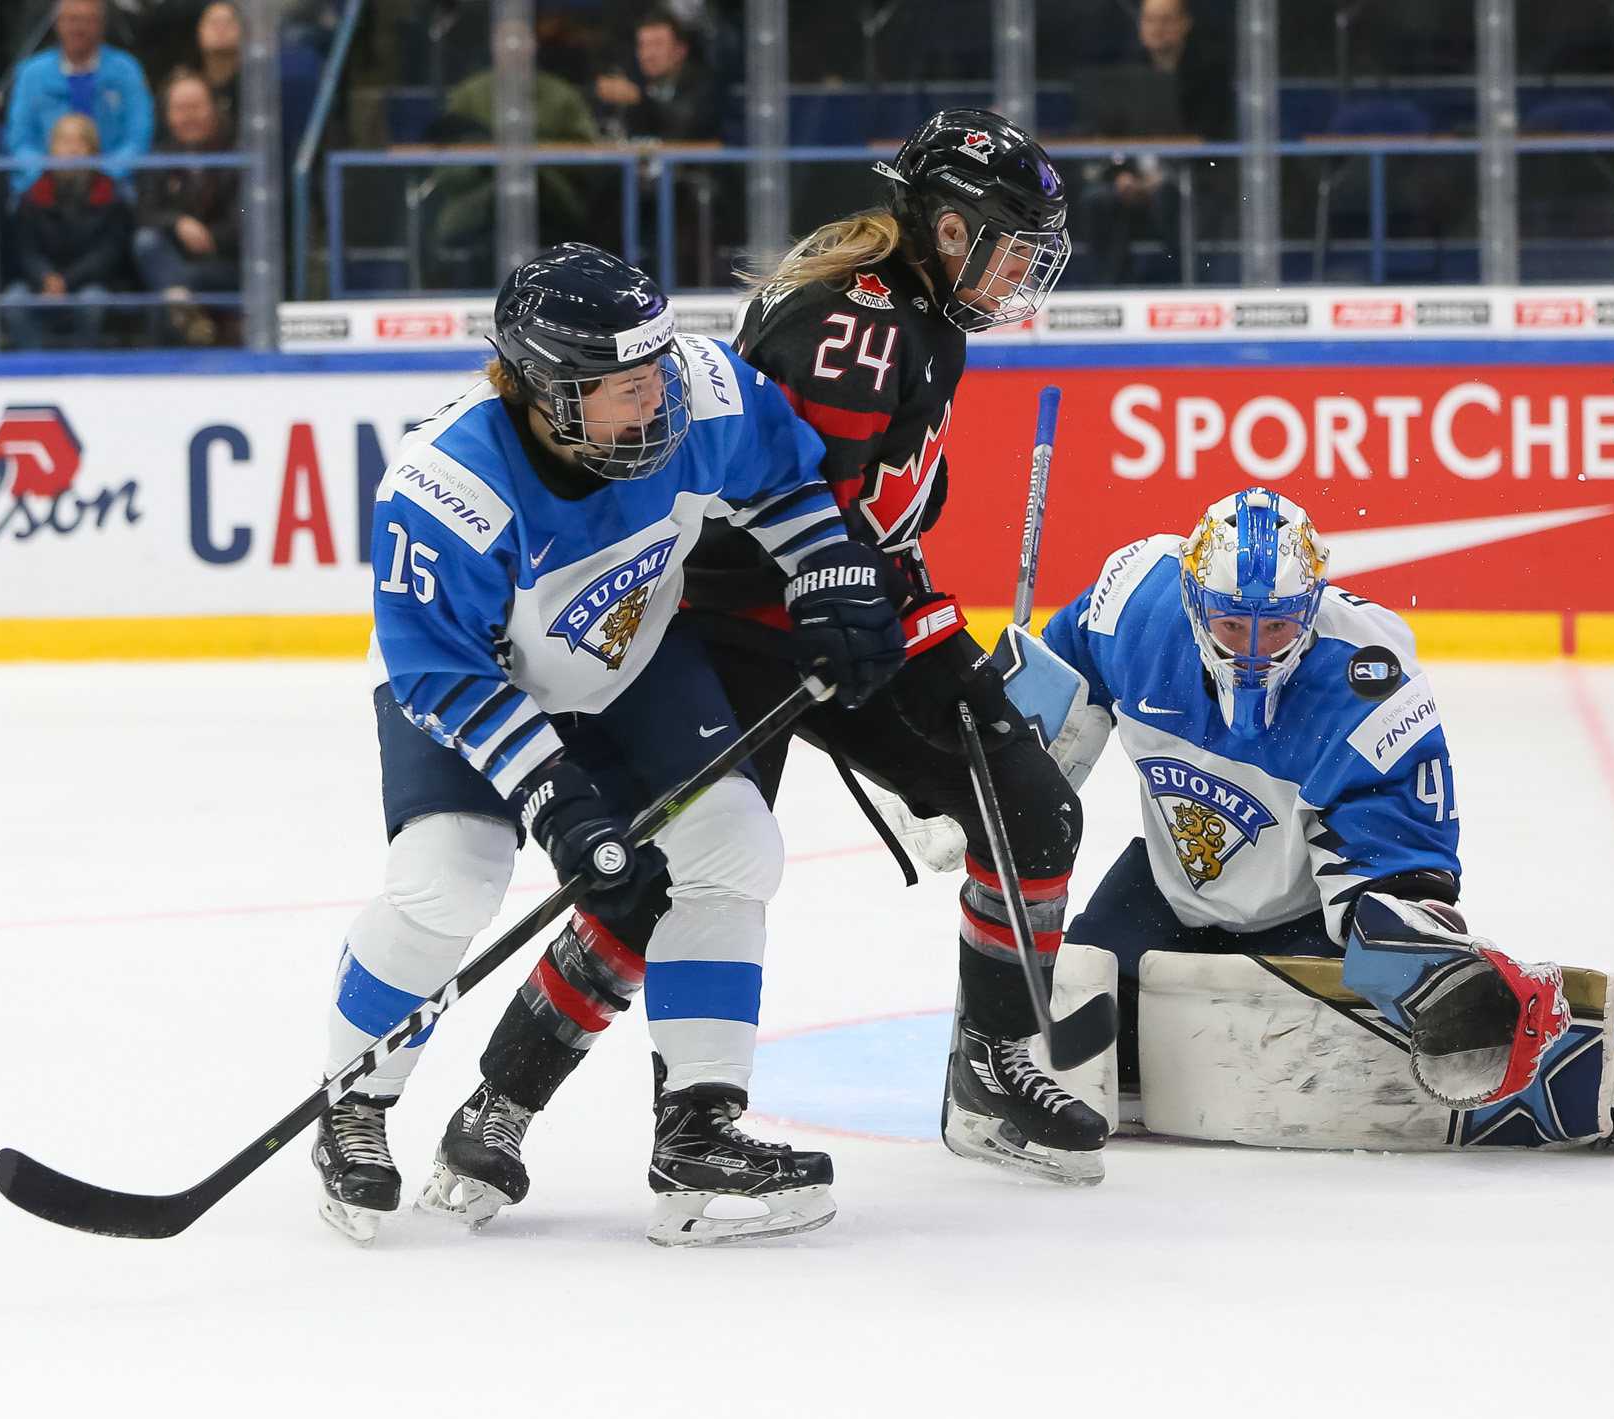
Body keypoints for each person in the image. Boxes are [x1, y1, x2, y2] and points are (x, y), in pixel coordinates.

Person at [423, 109, 1106, 1231]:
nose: (1023, 274)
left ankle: (989, 1070)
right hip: (740, 625)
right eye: (1011, 247)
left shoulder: (923, 313)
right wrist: (858, 605)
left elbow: (875, 519)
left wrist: (914, 623)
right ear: (948, 229)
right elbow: (792, 504)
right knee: (663, 876)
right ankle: (497, 1108)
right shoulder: (857, 324)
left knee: (1029, 804)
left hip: (861, 613)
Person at [310, 243, 904, 1247]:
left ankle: (700, 1128)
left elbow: (781, 478)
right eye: (626, 388)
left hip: (628, 663)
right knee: (449, 879)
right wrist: (554, 797)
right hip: (476, 685)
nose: (659, 400)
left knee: (734, 848)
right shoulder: (445, 484)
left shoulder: (697, 393)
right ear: (545, 390)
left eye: (658, 371)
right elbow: (439, 670)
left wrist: (826, 573)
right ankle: (354, 1100)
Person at [1039, 489, 1614, 1153]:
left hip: (1305, 921)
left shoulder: (1367, 679)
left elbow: (1396, 861)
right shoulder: (1134, 603)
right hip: (1166, 893)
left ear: (1311, 607)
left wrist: (1406, 944)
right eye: (1233, 625)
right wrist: (1011, 765)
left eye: (1277, 628)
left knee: (1415, 1014)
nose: (1252, 653)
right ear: (1192, 600)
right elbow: (1056, 691)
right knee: (1062, 1017)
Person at [1073, 0, 1231, 286]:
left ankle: (1186, 283)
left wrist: (1167, 173)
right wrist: (1120, 174)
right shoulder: (1125, 71)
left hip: (1192, 177)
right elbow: (1106, 132)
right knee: (1098, 198)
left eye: (1165, 20)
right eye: (1149, 20)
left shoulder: (1210, 73)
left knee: (1171, 195)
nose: (1157, 28)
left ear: (1184, 24)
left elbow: (1212, 138)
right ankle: (1112, 288)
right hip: (1134, 175)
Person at [422, 66, 599, 289]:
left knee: (533, 195)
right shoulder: (468, 94)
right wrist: (488, 164)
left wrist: (534, 165)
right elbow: (446, 166)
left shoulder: (561, 94)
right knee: (499, 201)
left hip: (553, 203)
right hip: (477, 207)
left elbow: (587, 158)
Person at [3, 113, 132, 349]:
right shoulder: (33, 194)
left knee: (93, 300)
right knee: (14, 299)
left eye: (81, 142)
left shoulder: (111, 194)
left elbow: (107, 252)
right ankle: (32, 364)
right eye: (65, 141)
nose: (72, 149)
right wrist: (46, 277)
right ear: (53, 148)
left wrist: (67, 280)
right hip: (41, 283)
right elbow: (26, 247)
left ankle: (85, 365)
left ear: (92, 150)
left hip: (89, 282)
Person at [5, 0, 154, 196]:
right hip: (43, 191)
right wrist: (51, 173)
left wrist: (103, 175)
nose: (80, 27)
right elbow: (19, 143)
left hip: (114, 192)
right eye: (73, 19)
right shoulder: (31, 73)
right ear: (58, 23)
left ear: (102, 25)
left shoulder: (127, 71)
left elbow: (138, 140)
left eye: (88, 19)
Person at [133, 71, 239, 345]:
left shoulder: (236, 155)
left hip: (223, 262)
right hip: (174, 258)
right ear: (167, 116)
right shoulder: (158, 159)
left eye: (195, 107)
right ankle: (181, 303)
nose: (188, 117)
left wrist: (208, 237)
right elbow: (145, 213)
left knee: (166, 292)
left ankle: (178, 299)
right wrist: (179, 223)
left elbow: (245, 224)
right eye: (180, 109)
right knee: (145, 242)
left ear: (213, 109)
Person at [593, 9, 720, 143]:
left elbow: (685, 123)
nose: (648, 55)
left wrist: (640, 99)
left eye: (657, 44)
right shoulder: (638, 83)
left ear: (680, 50)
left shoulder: (703, 85)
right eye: (642, 45)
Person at [192, 0, 240, 137]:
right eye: (213, 23)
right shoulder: (188, 86)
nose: (221, 29)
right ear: (199, 30)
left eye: (229, 22)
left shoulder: (254, 88)